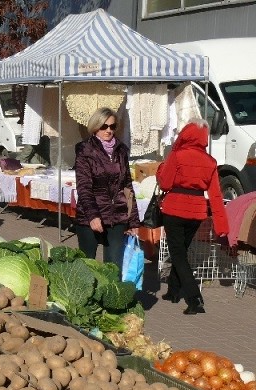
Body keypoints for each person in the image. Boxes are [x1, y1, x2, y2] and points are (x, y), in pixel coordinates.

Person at [156, 119, 229, 315]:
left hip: (175, 209)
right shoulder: (210, 162)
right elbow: (215, 196)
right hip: (197, 212)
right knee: (181, 250)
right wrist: (222, 226)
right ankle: (173, 291)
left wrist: (160, 170)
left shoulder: (177, 155)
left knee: (178, 253)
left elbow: (164, 184)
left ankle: (194, 298)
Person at [74, 107, 140, 273]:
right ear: (95, 127)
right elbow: (84, 187)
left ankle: (111, 298)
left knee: (113, 268)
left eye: (112, 126)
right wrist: (93, 215)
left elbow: (127, 186)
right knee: (86, 267)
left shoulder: (121, 150)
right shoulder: (85, 150)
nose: (108, 130)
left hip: (117, 215)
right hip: (90, 217)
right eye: (104, 126)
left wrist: (133, 220)